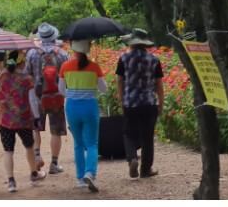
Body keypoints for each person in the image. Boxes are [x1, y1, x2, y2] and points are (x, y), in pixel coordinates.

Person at [0, 50, 47, 192]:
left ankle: (11, 182)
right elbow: (32, 100)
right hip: (23, 119)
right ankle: (34, 174)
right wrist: (36, 117)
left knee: (8, 151)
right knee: (29, 146)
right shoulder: (26, 78)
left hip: (5, 120)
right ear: (22, 62)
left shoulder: (1, 76)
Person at [116, 29, 164, 180]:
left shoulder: (123, 58)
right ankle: (145, 170)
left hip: (130, 102)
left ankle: (132, 159)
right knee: (147, 137)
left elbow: (120, 80)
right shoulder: (154, 60)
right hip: (149, 103)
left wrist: (121, 99)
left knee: (129, 133)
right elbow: (159, 84)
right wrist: (160, 103)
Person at [60, 40, 107, 192]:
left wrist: (74, 95)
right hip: (89, 107)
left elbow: (61, 90)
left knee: (78, 144)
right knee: (92, 143)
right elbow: (104, 89)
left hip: (72, 107)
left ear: (74, 50)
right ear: (87, 50)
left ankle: (80, 178)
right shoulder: (94, 67)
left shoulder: (65, 66)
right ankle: (90, 172)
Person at [23, 22, 69, 175]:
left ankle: (37, 156)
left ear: (40, 37)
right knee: (56, 131)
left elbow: (26, 75)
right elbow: (66, 76)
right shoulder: (62, 54)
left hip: (37, 97)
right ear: (54, 36)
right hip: (56, 97)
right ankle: (54, 164)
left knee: (36, 128)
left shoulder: (32, 53)